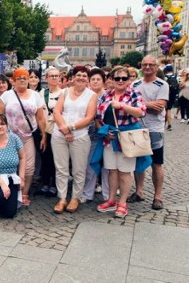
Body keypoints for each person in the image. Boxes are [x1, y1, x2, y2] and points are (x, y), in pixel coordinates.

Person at [95, 66, 147, 218]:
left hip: (127, 138)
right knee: (112, 170)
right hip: (110, 138)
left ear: (129, 79)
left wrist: (123, 106)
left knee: (125, 171)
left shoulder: (134, 94)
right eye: (117, 78)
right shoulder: (106, 95)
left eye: (124, 78)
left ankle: (122, 202)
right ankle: (111, 200)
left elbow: (141, 112)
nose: (120, 81)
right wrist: (104, 131)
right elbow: (98, 117)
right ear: (111, 79)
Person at [51, 66, 97, 214]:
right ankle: (62, 198)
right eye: (79, 75)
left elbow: (89, 117)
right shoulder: (65, 91)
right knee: (61, 169)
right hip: (59, 134)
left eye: (84, 75)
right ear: (73, 77)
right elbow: (57, 111)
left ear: (88, 79)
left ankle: (75, 197)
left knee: (79, 169)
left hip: (80, 135)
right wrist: (64, 128)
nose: (81, 78)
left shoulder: (91, 95)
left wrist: (70, 128)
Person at [0, 68, 46, 206]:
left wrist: (44, 136)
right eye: (19, 78)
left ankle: (24, 193)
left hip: (28, 136)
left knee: (29, 167)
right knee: (10, 165)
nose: (22, 80)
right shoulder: (6, 96)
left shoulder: (35, 96)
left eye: (25, 78)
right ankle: (11, 191)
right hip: (9, 137)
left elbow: (40, 118)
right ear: (13, 81)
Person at [129, 56, 168, 210]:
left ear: (156, 67)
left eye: (151, 64)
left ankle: (158, 196)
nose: (147, 67)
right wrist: (148, 105)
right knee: (139, 162)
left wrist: (140, 105)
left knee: (156, 164)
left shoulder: (162, 84)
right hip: (137, 126)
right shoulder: (135, 83)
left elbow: (160, 106)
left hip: (155, 129)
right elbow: (130, 104)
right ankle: (139, 192)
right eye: (145, 64)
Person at [82, 68, 109, 203]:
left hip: (106, 136)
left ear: (103, 81)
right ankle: (87, 193)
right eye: (93, 79)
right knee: (90, 166)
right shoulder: (86, 95)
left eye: (98, 79)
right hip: (90, 135)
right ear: (89, 81)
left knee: (107, 167)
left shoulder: (108, 96)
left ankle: (107, 195)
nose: (96, 81)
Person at [38, 67, 63, 197]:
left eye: (56, 76)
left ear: (60, 78)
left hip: (58, 130)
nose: (54, 78)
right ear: (46, 78)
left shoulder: (64, 93)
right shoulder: (42, 93)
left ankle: (55, 185)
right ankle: (46, 183)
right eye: (51, 76)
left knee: (56, 158)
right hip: (45, 129)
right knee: (46, 157)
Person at [164, 65, 178, 130]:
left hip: (166, 94)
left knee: (166, 109)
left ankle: (167, 124)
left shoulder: (165, 77)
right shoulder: (175, 76)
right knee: (168, 109)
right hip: (173, 94)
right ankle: (167, 124)